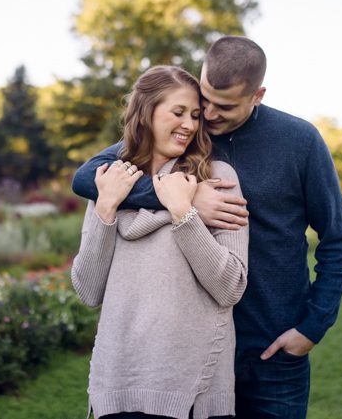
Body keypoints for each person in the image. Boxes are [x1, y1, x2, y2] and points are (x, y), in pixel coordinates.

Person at [73, 36, 342, 419]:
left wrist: (312, 327)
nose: (208, 115)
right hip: (194, 347)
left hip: (271, 345)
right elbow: (87, 177)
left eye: (225, 106)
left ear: (257, 96)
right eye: (205, 100)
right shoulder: (188, 136)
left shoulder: (299, 141)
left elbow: (336, 239)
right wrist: (180, 199)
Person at [71, 65, 249, 419]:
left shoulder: (216, 178)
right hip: (118, 384)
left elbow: (230, 287)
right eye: (178, 112)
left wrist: (183, 212)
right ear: (146, 112)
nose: (189, 125)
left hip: (193, 391)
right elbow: (88, 291)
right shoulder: (110, 182)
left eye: (195, 115)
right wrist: (106, 207)